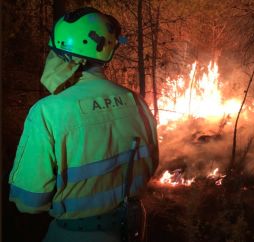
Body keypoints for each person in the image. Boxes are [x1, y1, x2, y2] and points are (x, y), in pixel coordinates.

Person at [8, 7, 159, 242]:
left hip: (74, 234)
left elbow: (29, 201)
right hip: (133, 229)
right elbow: (150, 165)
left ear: (65, 55)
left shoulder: (47, 111)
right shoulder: (136, 102)